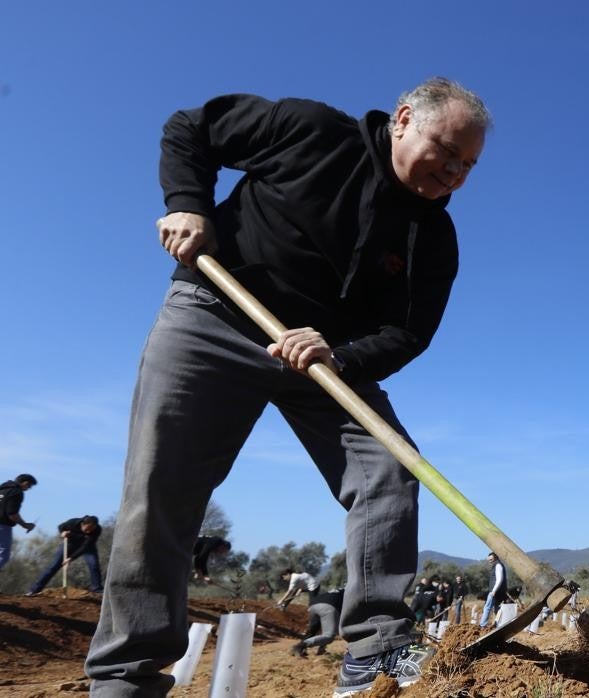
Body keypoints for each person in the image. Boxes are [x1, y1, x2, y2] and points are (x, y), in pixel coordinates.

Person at [84, 77, 491, 698]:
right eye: (448, 151)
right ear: (403, 119)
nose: (456, 173)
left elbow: (408, 333)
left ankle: (377, 651)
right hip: (215, 316)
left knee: (387, 472)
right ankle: (126, 675)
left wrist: (343, 356)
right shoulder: (310, 130)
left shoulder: (434, 235)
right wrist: (188, 201)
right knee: (162, 486)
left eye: (468, 165)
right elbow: (191, 127)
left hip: (322, 363)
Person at [27, 515, 104, 595]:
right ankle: (34, 590)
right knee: (53, 566)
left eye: (92, 529)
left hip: (88, 547)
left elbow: (85, 546)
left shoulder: (97, 529)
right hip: (70, 544)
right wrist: (62, 532)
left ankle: (97, 589)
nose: (89, 531)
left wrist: (70, 559)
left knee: (94, 565)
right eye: (88, 529)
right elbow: (61, 526)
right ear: (83, 524)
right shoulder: (73, 522)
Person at [292, 587, 346, 658]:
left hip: (314, 605)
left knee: (313, 631)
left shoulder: (340, 590)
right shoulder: (352, 592)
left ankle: (318, 650)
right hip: (329, 606)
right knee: (329, 635)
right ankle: (300, 646)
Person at [0, 473, 37, 573]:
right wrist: (25, 525)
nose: (29, 488)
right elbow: (12, 514)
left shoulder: (2, 488)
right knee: (3, 556)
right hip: (2, 526)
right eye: (29, 486)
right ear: (25, 483)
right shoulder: (16, 492)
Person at [477, 552, 508, 627]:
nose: (489, 560)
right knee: (497, 608)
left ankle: (482, 625)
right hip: (498, 591)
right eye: (488, 559)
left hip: (495, 591)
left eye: (490, 558)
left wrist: (494, 590)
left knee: (487, 607)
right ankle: (499, 625)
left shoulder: (498, 565)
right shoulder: (496, 565)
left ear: (495, 558)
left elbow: (499, 579)